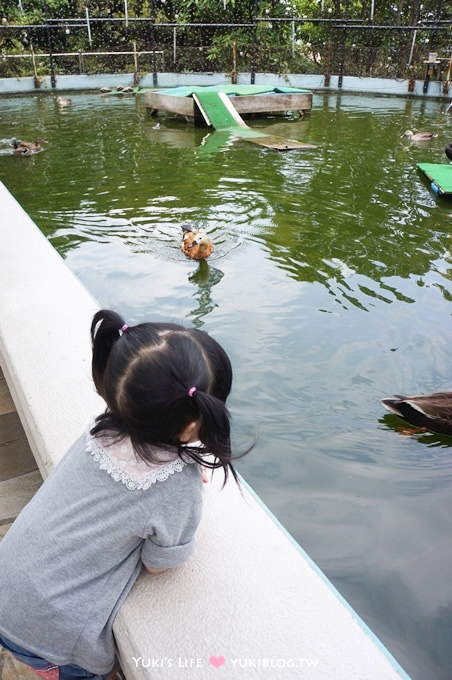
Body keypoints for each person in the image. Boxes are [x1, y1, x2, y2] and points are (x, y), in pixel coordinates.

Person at [0, 309, 241, 680]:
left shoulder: (101, 431)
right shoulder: (177, 485)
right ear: (194, 423)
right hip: (49, 636)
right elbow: (160, 564)